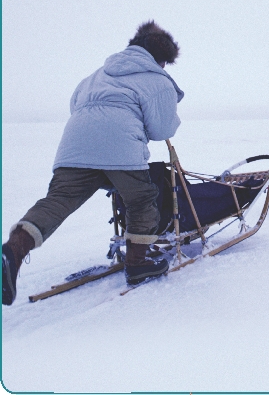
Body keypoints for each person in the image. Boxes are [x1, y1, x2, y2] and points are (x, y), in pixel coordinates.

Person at [2, 20, 184, 305]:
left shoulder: (96, 74)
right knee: (142, 200)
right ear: (161, 57)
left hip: (75, 146)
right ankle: (137, 265)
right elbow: (162, 129)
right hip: (120, 146)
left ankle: (14, 249)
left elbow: (76, 105)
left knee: (58, 200)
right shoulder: (157, 80)